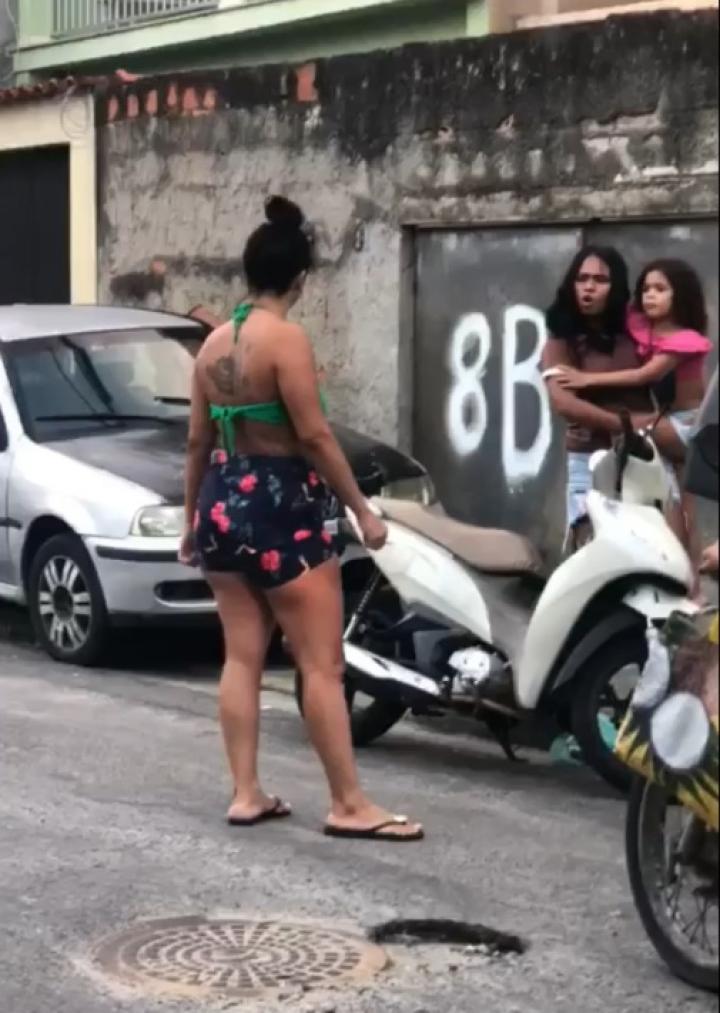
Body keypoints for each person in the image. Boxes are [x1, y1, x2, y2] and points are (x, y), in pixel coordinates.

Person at [180, 195, 423, 843]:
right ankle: (348, 803)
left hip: (221, 502)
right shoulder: (286, 340)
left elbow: (197, 442)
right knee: (321, 664)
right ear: (301, 279)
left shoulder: (212, 346)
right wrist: (362, 510)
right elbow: (314, 436)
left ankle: (245, 792)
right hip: (280, 506)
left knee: (241, 656)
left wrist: (189, 522)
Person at [555, 259, 712, 558]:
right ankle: (687, 570)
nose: (650, 295)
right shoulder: (644, 328)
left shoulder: (685, 340)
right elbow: (616, 310)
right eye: (646, 289)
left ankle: (677, 560)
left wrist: (586, 379)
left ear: (680, 295)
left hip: (686, 425)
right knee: (678, 499)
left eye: (660, 289)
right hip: (668, 420)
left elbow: (644, 375)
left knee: (638, 439)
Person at [542, 246, 654, 548]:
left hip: (641, 460)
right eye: (582, 279)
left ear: (616, 287)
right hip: (589, 460)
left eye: (600, 280)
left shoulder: (637, 334)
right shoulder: (561, 340)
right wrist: (626, 425)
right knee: (591, 551)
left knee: (644, 550)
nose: (589, 287)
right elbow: (563, 403)